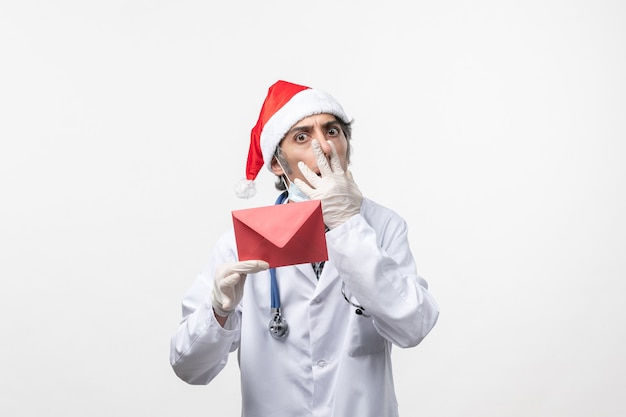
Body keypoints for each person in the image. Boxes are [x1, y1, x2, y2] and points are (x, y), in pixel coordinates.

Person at [169, 80, 440, 417]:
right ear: (277, 164)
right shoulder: (240, 241)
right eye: (302, 137)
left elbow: (413, 326)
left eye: (332, 131)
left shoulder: (383, 226)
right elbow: (189, 368)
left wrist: (346, 225)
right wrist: (218, 312)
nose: (323, 147)